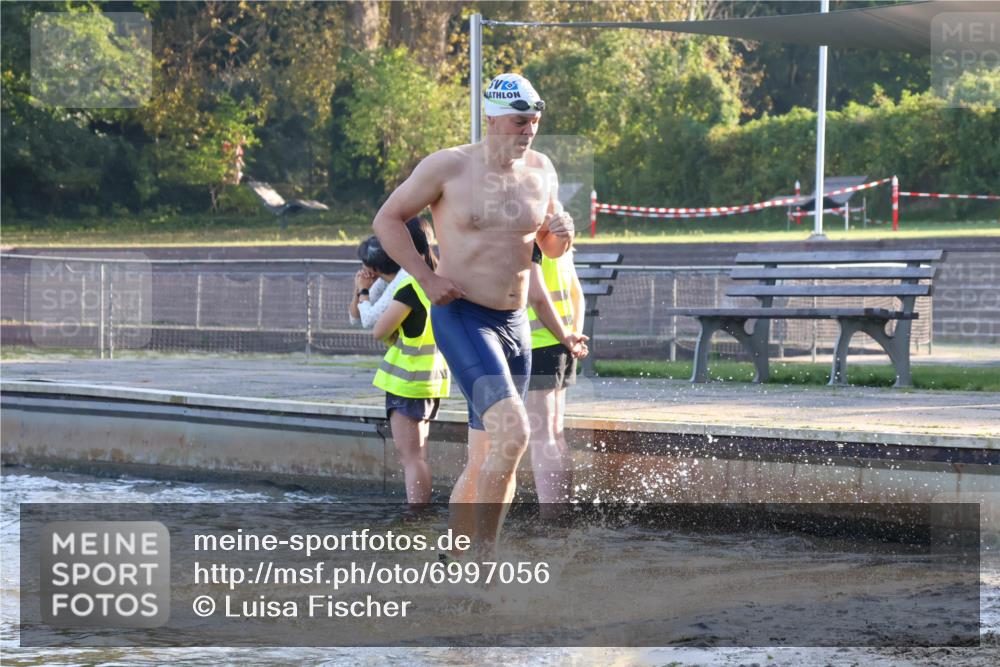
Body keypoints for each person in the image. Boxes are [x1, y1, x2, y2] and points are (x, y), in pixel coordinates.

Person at [372, 72, 585, 557]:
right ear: (491, 118)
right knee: (515, 433)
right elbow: (387, 219)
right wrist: (426, 279)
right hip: (464, 317)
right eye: (518, 122)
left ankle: (456, 553)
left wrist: (562, 234)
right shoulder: (448, 167)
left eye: (534, 121)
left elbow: (546, 248)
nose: (528, 131)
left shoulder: (542, 169)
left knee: (488, 453)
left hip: (516, 325)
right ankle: (485, 565)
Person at [367, 231, 450, 506]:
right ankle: (421, 510)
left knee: (411, 458)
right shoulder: (443, 281)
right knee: (419, 455)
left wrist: (363, 292)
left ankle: (417, 515)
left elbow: (379, 330)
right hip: (432, 380)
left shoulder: (412, 287)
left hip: (407, 381)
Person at [525, 246, 588, 511]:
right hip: (564, 342)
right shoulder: (560, 240)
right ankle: (561, 514)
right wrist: (574, 337)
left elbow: (537, 297)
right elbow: (577, 294)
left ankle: (551, 519)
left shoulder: (530, 239)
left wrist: (567, 338)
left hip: (539, 343)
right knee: (554, 434)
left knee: (543, 438)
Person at [348, 217, 434, 328]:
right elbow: (355, 319)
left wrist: (363, 290)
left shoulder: (404, 277)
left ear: (374, 268)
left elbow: (368, 321)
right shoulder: (389, 277)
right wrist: (359, 289)